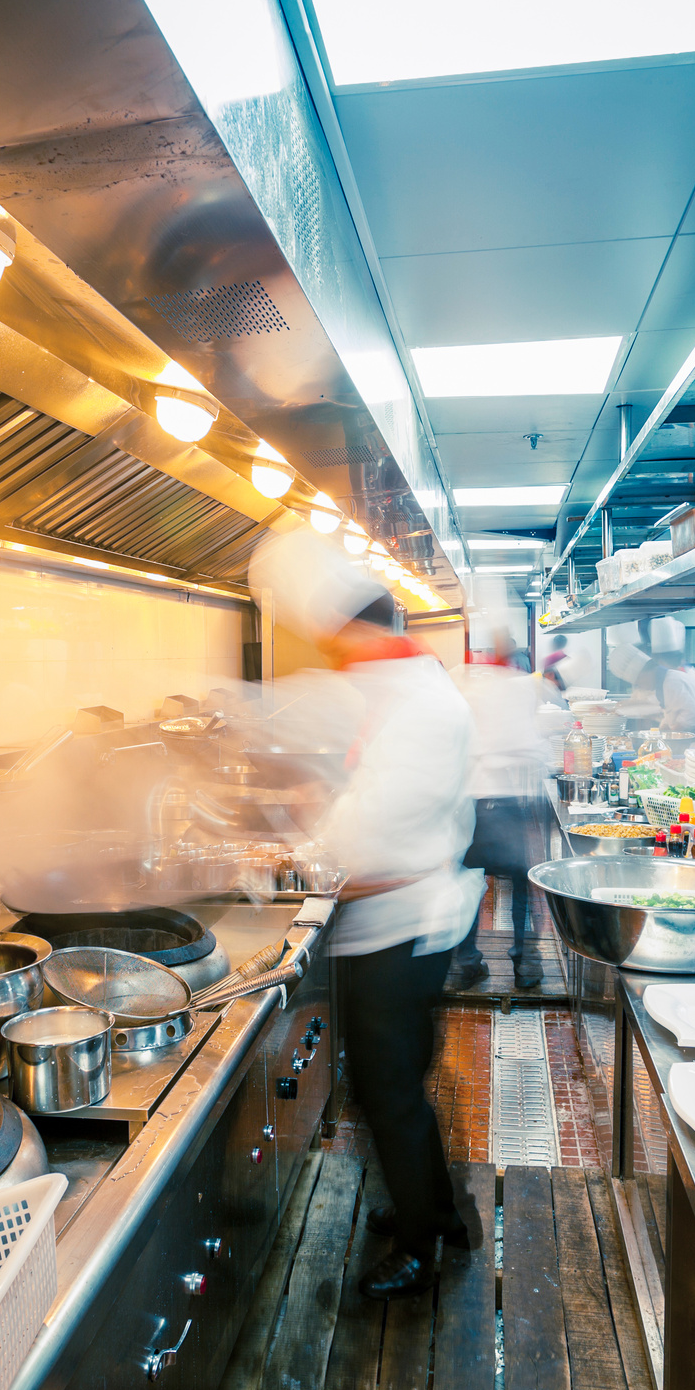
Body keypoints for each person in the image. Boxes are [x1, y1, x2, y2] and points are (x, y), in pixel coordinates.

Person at [251, 527, 482, 1300]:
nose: (329, 653)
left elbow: (370, 834)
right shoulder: (401, 689)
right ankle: (440, 1211)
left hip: (402, 926)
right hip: (406, 921)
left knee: (387, 1091)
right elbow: (357, 799)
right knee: (399, 1086)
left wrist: (294, 854)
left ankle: (419, 1251)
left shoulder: (418, 707)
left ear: (358, 627)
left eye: (330, 636)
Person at [448, 639, 554, 992]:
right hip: (502, 808)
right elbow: (529, 748)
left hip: (469, 808)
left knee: (468, 884)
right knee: (522, 885)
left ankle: (466, 963)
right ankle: (524, 965)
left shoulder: (467, 682)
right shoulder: (517, 691)